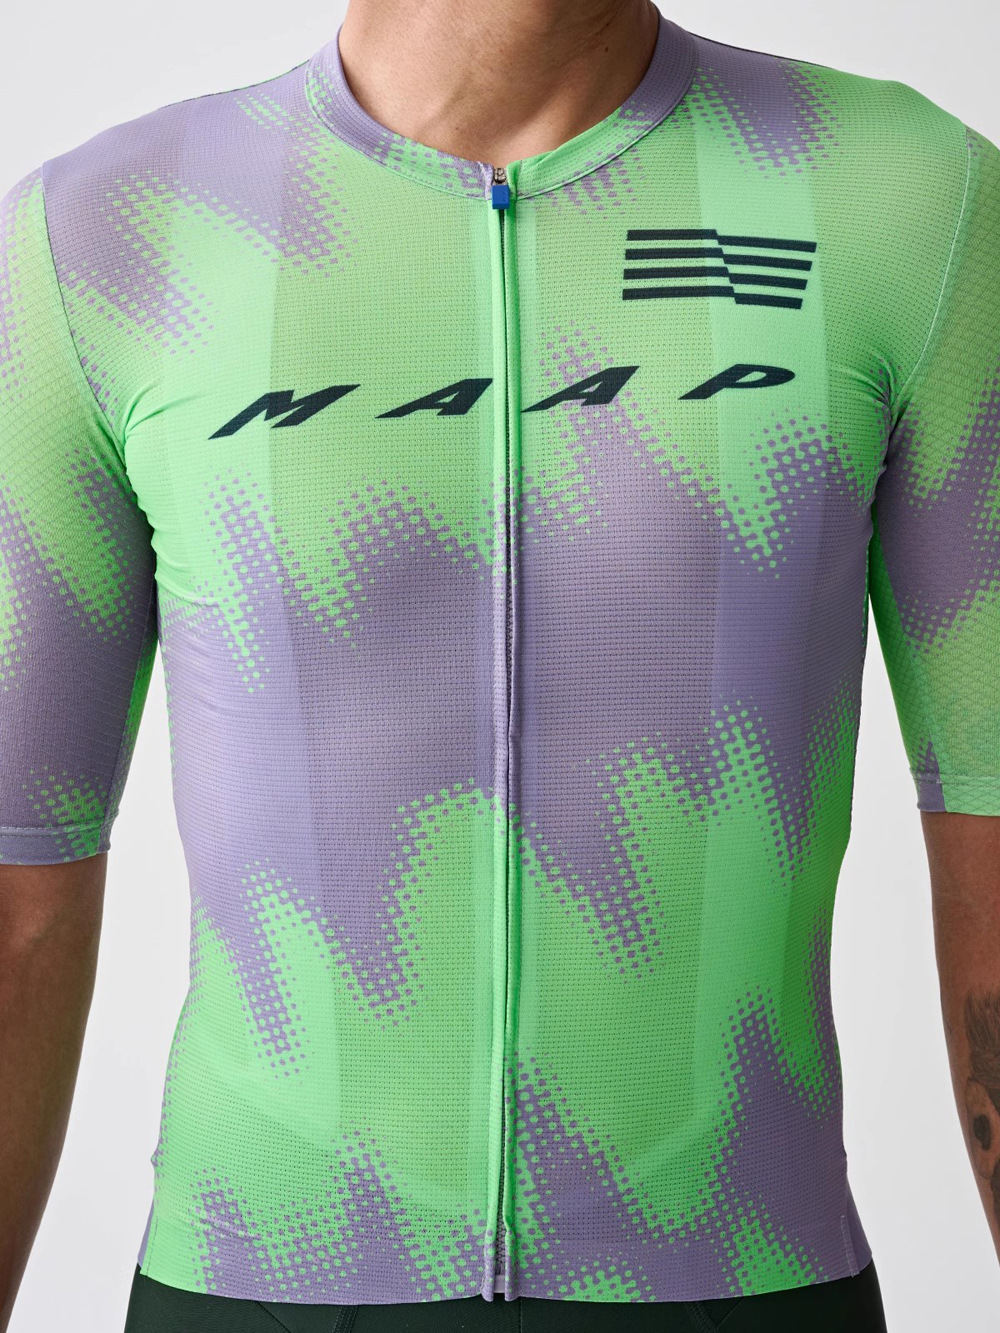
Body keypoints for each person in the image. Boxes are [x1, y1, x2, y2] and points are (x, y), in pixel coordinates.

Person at [1, 0, 998, 1327]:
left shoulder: (904, 200)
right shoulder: (102, 235)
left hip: (741, 1277)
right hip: (263, 1278)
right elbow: (18, 897)